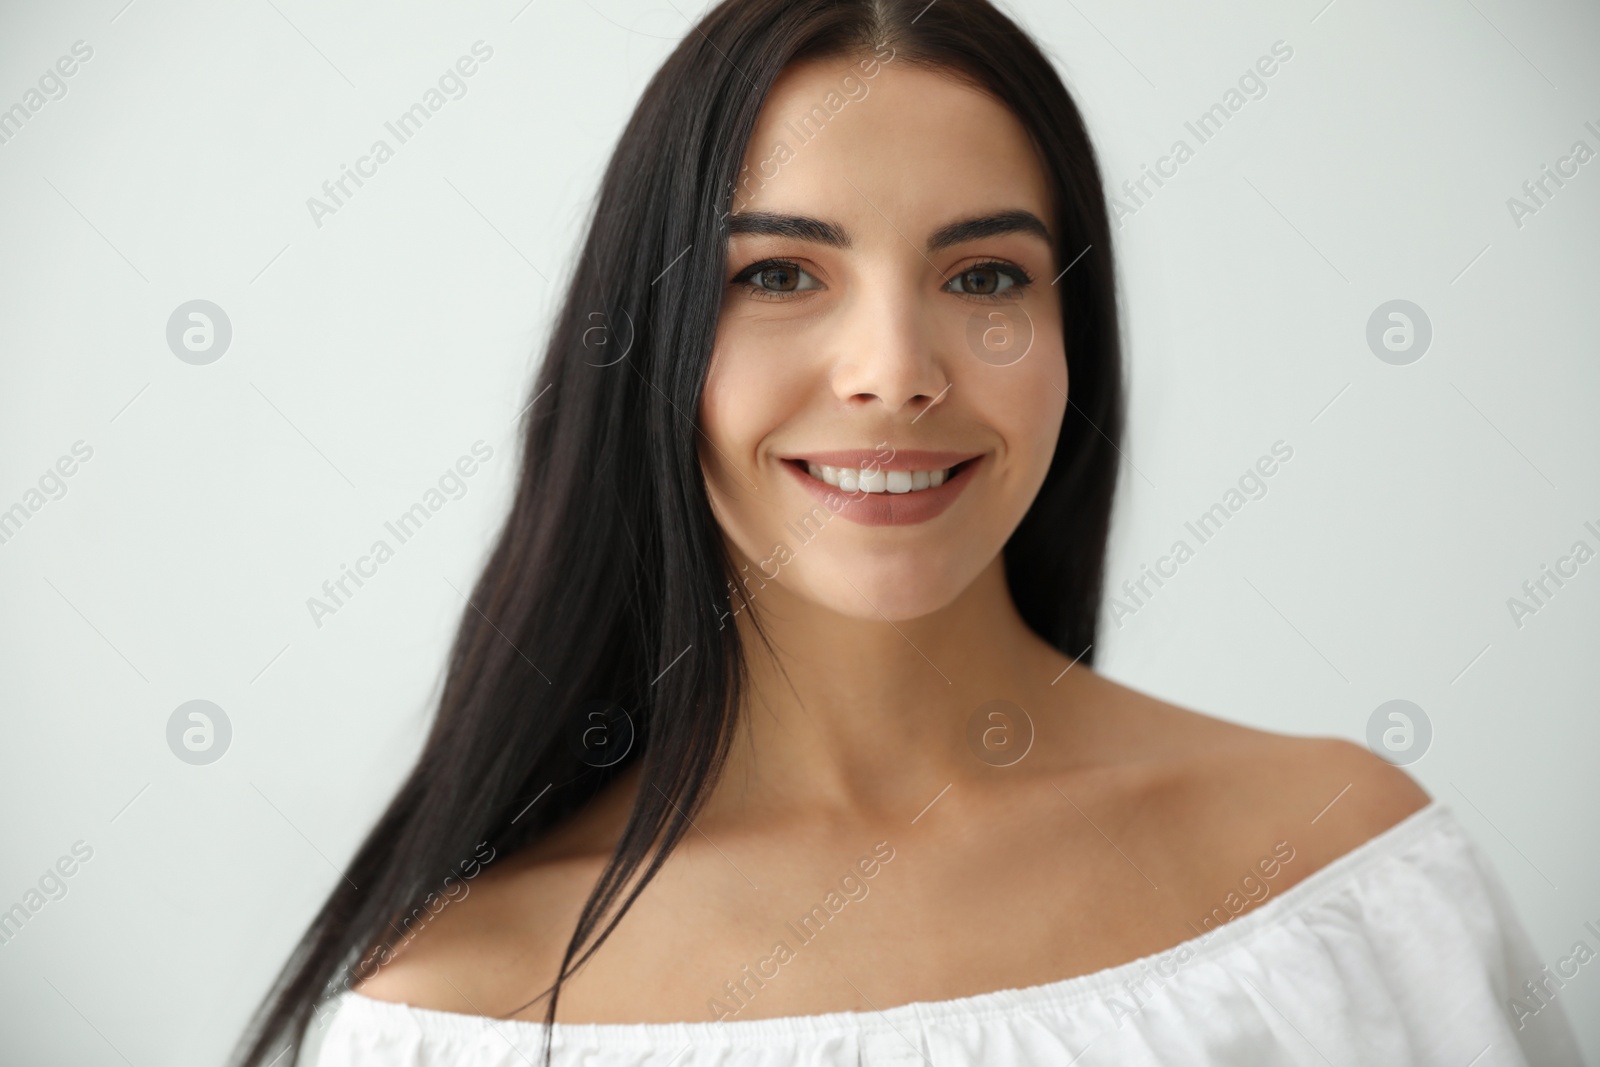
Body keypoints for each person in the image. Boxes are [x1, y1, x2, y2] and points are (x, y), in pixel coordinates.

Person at [233, 1, 1584, 1064]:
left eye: (984, 274)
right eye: (777, 275)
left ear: (1074, 342)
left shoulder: (1354, 874)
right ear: (647, 353)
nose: (895, 370)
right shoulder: (463, 1016)